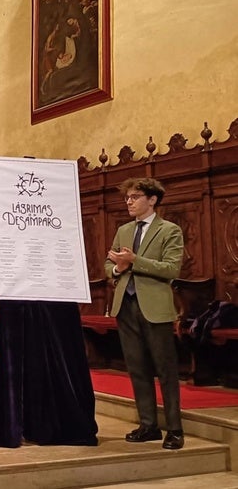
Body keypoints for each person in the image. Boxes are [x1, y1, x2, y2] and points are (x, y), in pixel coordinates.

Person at [105, 177, 185, 450]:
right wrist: (116, 269)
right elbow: (108, 264)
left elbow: (171, 269)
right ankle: (148, 425)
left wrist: (134, 261)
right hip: (125, 306)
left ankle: (174, 429)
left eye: (135, 196)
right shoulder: (124, 230)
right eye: (127, 197)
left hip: (155, 307)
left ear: (152, 200)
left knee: (165, 369)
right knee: (137, 368)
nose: (129, 201)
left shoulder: (169, 230)